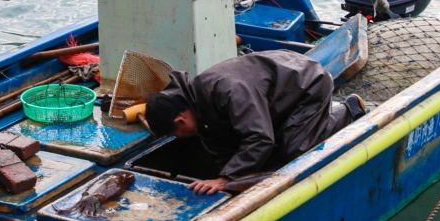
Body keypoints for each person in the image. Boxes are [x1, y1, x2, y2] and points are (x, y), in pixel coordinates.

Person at [143, 50, 365, 195]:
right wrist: (226, 181)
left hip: (306, 84)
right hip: (273, 97)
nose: (177, 137)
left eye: (174, 133)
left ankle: (346, 111)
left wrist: (227, 178)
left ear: (180, 120)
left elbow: (260, 138)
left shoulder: (228, 90)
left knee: (296, 150)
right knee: (265, 144)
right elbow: (220, 147)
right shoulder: (195, 105)